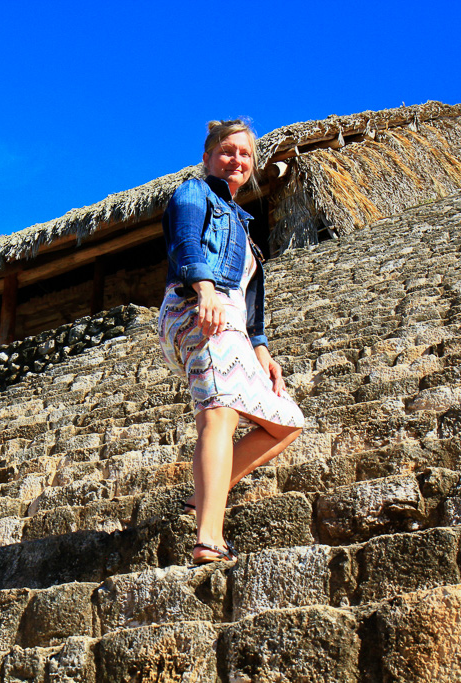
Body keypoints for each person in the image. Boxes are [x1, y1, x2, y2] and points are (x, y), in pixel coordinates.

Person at [158, 119, 305, 564]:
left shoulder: (244, 226)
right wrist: (203, 291)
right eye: (227, 150)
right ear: (207, 157)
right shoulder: (194, 192)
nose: (236, 159)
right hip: (197, 305)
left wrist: (263, 350)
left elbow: (251, 301)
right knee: (220, 411)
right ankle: (209, 538)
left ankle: (204, 496)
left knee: (287, 422)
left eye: (245, 154)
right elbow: (185, 243)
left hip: (233, 322)